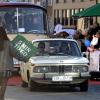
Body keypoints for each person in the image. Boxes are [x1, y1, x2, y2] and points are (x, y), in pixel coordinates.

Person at [0, 26, 27, 100]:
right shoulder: (9, 44)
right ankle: (1, 97)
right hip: (6, 69)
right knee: (3, 85)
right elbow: (17, 54)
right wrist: (25, 59)